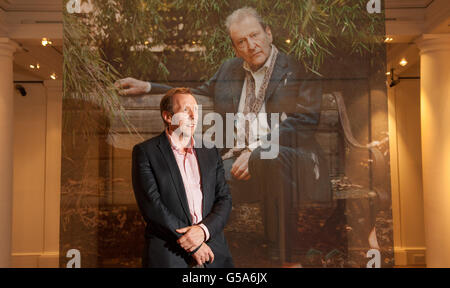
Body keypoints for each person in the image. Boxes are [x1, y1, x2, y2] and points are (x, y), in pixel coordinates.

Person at [122, 7, 331, 261]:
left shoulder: (297, 68)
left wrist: (257, 149)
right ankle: (194, 252)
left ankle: (286, 257)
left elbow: (305, 120)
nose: (251, 45)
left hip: (289, 162)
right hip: (239, 163)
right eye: (242, 41)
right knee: (198, 181)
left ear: (268, 33)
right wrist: (148, 86)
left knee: (268, 157)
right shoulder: (229, 70)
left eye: (255, 35)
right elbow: (196, 93)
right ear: (235, 49)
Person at [132, 87, 234, 267]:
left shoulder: (210, 151)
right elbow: (152, 206)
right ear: (168, 117)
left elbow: (224, 199)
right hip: (169, 251)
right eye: (186, 111)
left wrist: (203, 231)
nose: (194, 116)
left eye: (195, 110)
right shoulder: (146, 152)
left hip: (213, 250)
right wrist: (193, 244)